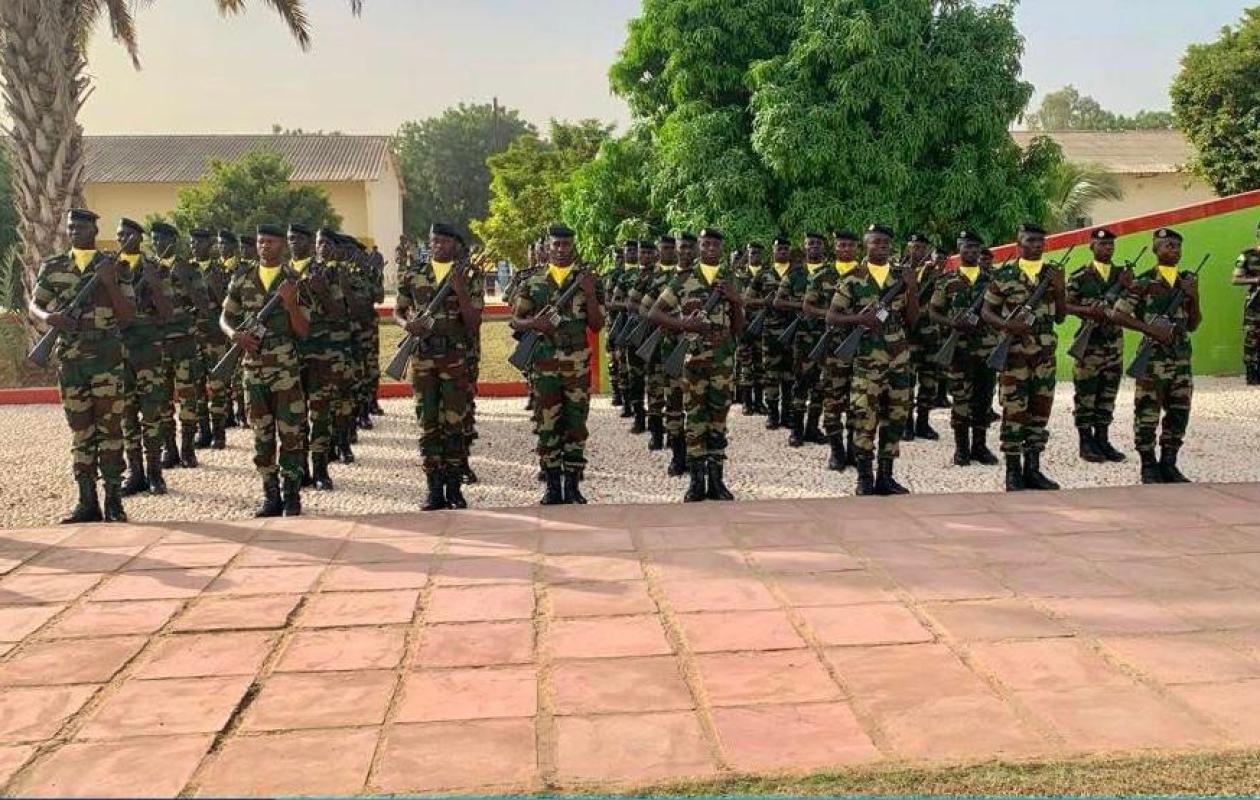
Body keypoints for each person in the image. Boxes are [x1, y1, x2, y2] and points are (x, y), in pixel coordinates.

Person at [30, 209, 135, 523]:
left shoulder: (115, 266)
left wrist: (108, 282)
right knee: (81, 432)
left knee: (112, 431)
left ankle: (114, 501)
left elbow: (128, 315)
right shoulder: (55, 266)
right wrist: (49, 317)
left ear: (94, 229)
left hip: (106, 357)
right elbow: (36, 304)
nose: (75, 230)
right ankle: (87, 501)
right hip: (72, 359)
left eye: (81, 226)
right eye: (71, 226)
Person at [220, 223, 310, 517]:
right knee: (262, 435)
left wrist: (290, 303)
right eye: (261, 242)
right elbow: (225, 317)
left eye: (270, 242)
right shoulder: (243, 278)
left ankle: (292, 495)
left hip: (285, 369)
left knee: (291, 434)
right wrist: (235, 336)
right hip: (253, 369)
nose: (264, 246)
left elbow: (303, 330)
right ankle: (270, 495)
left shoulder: (294, 282)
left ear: (282, 245)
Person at [511, 224, 604, 504]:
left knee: (576, 424)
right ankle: (552, 485)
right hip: (544, 365)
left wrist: (588, 294)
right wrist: (535, 323)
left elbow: (598, 325)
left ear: (573, 246)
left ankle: (573, 485)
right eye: (556, 245)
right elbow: (516, 321)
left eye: (566, 245)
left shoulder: (587, 280)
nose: (561, 250)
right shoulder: (533, 282)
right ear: (548, 247)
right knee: (547, 424)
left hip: (577, 366)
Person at [647, 228, 743, 501]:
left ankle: (717, 480)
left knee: (718, 420)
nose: (711, 248)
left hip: (723, 362)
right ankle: (696, 481)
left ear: (722, 249)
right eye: (706, 243)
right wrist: (683, 324)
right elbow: (655, 312)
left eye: (716, 244)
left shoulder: (730, 279)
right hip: (693, 362)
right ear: (699, 247)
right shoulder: (684, 279)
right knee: (694, 420)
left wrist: (736, 302)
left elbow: (739, 329)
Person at [395, 223, 482, 509]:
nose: (439, 246)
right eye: (434, 241)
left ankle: (454, 488)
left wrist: (460, 292)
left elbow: (473, 321)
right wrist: (407, 324)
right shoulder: (414, 274)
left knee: (454, 423)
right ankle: (433, 489)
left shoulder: (468, 276)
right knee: (428, 423)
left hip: (455, 359)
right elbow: (397, 311)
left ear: (455, 245)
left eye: (445, 241)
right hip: (423, 360)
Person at [827, 224, 918, 496]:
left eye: (886, 243)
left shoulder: (901, 278)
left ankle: (886, 477)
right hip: (868, 362)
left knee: (897, 417)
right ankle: (865, 478)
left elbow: (913, 320)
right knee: (864, 417)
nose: (882, 247)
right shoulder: (854, 278)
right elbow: (831, 318)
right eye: (876, 242)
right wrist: (860, 319)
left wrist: (912, 289)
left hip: (898, 359)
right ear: (866, 245)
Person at [981, 222, 1067, 492]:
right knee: (1014, 410)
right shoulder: (1004, 276)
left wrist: (1060, 288)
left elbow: (1061, 316)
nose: (1037, 245)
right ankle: (1013, 471)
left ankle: (1034, 469)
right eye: (1030, 241)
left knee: (1040, 410)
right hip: (1015, 353)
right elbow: (986, 312)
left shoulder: (1052, 275)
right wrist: (1008, 326)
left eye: (1041, 241)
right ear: (1019, 245)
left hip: (1043, 354)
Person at [1111, 227, 1201, 484]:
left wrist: (1193, 296)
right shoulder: (1143, 282)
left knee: (1179, 411)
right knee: (1147, 412)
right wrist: (1150, 329)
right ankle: (1148, 464)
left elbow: (1194, 324)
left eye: (1177, 246)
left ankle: (1169, 462)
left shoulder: (1187, 281)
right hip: (1152, 360)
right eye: (1167, 245)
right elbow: (1117, 313)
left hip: (1181, 358)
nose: (1173, 250)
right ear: (1155, 249)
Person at [929, 230, 999, 467]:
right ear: (958, 249)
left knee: (984, 399)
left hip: (986, 349)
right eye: (966, 247)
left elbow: (1000, 311)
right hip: (958, 350)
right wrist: (953, 323)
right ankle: (962, 449)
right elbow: (933, 312)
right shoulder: (947, 281)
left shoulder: (992, 280)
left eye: (975, 248)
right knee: (960, 399)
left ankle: (980, 446)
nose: (971, 251)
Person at [117, 218, 174, 497]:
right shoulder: (109, 268)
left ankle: (154, 473)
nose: (122, 240)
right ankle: (135, 472)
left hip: (149, 352)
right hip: (120, 352)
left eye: (128, 235)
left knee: (152, 414)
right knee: (127, 415)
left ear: (139, 239)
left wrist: (154, 284)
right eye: (119, 235)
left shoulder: (156, 268)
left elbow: (168, 312)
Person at [289, 223, 346, 492]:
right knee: (295, 414)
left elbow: (338, 313)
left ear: (311, 242)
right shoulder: (281, 273)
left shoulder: (327, 272)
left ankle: (321, 468)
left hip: (322, 353)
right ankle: (300, 468)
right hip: (290, 355)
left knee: (320, 413)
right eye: (291, 239)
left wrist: (322, 290)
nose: (294, 243)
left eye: (300, 238)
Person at [1065, 228, 1129, 463]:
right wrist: (1089, 311)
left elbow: (1133, 303)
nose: (1108, 248)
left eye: (1111, 244)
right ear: (1091, 246)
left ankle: (1103, 440)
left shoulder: (1122, 275)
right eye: (1102, 245)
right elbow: (1066, 306)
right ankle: (1085, 441)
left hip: (1113, 344)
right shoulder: (1080, 276)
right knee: (1086, 395)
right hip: (1089, 345)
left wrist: (1126, 286)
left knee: (1108, 394)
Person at [152, 221, 210, 471]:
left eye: (162, 240)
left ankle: (187, 447)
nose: (157, 244)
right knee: (162, 397)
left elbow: (204, 305)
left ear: (172, 243)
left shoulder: (189, 269)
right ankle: (169, 448)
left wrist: (185, 280)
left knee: (188, 396)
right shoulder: (147, 269)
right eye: (154, 240)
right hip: (158, 344)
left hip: (185, 342)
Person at [806, 230, 860, 470]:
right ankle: (836, 451)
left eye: (849, 245)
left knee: (858, 402)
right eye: (841, 245)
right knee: (833, 401)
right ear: (835, 248)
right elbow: (808, 307)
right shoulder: (821, 275)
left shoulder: (866, 275)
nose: (845, 249)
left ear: (856, 248)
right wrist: (834, 316)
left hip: (862, 349)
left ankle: (854, 450)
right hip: (833, 348)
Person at [775, 233, 829, 448]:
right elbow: (778, 302)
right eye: (810, 244)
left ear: (824, 247)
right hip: (802, 335)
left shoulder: (832, 274)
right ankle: (796, 430)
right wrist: (803, 306)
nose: (814, 247)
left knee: (821, 384)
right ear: (804, 247)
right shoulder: (794, 274)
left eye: (818, 244)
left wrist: (819, 311)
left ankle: (813, 428)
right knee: (801, 383)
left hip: (825, 336)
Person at [640, 235, 682, 466]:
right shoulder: (653, 278)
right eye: (664, 248)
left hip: (684, 345)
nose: (668, 252)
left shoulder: (684, 277)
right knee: (656, 389)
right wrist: (666, 319)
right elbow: (638, 306)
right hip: (659, 342)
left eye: (671, 248)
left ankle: (679, 447)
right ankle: (657, 434)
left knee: (679, 394)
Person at [191, 227, 231, 450]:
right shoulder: (185, 270)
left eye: (199, 242)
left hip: (214, 337)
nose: (194, 246)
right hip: (192, 338)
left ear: (210, 246)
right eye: (192, 242)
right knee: (196, 387)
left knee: (217, 387)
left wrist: (215, 285)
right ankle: (202, 430)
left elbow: (228, 305)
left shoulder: (221, 271)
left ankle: (219, 432)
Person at [904, 233, 942, 442]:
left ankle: (923, 423)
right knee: (908, 383)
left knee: (929, 382)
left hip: (930, 338)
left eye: (921, 247)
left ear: (927, 251)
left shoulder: (935, 274)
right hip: (909, 337)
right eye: (913, 247)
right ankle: (906, 423)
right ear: (908, 248)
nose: (916, 251)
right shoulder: (900, 272)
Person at [762, 237, 795, 431]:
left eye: (785, 248)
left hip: (792, 331)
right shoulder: (764, 274)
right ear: (773, 251)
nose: (782, 251)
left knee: (790, 374)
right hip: (771, 331)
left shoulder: (797, 273)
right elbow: (747, 299)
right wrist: (764, 302)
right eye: (779, 249)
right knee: (771, 374)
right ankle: (772, 413)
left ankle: (787, 413)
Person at [736, 243, 768, 416]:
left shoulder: (767, 274)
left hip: (762, 325)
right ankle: (746, 402)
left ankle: (759, 401)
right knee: (746, 363)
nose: (754, 255)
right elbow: (738, 298)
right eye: (752, 252)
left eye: (758, 253)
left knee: (760, 363)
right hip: (744, 323)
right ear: (747, 254)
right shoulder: (739, 275)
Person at [605, 242, 632, 411]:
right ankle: (617, 393)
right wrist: (626, 305)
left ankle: (629, 401)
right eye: (618, 257)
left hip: (631, 323)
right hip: (616, 322)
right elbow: (608, 302)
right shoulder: (614, 277)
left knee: (627, 362)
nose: (620, 261)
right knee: (614, 360)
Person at [1232, 222, 1260, 385]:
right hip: (1255, 306)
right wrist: (1256, 279)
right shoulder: (1247, 255)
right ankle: (1252, 372)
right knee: (1252, 340)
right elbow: (1235, 278)